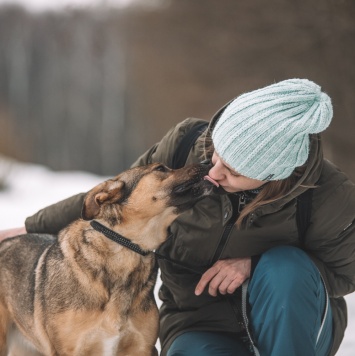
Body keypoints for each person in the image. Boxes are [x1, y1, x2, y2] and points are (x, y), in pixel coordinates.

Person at [1, 79, 354, 356]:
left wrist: (254, 265)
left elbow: (346, 273)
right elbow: (121, 193)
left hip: (296, 326)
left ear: (274, 174)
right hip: (199, 322)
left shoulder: (328, 195)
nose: (212, 173)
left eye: (231, 170)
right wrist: (32, 226)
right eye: (216, 153)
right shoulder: (188, 143)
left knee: (283, 267)